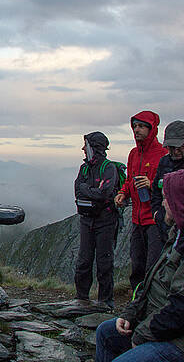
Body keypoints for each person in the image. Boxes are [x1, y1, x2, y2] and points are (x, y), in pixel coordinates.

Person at [95, 169, 184, 362]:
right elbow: (150, 283)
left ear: (179, 203)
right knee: (106, 333)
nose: (161, 202)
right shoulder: (176, 234)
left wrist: (143, 333)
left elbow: (179, 311)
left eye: (166, 198)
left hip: (176, 340)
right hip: (157, 320)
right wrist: (131, 314)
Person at [114, 111, 167, 290]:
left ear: (152, 129)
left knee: (153, 264)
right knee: (137, 264)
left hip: (155, 219)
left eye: (142, 126)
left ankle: (152, 304)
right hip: (137, 219)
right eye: (135, 126)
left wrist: (152, 184)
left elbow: (173, 185)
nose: (137, 130)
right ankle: (136, 302)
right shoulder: (134, 154)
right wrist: (123, 193)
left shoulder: (163, 154)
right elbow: (130, 180)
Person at [74, 132, 118, 309]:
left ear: (94, 148)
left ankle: (105, 302)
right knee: (84, 260)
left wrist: (87, 190)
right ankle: (81, 298)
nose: (83, 149)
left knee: (104, 261)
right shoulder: (84, 168)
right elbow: (77, 190)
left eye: (86, 146)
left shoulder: (108, 168)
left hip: (105, 221)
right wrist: (92, 192)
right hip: (87, 220)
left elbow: (105, 193)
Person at [151, 121, 184, 243]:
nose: (175, 151)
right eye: (171, 147)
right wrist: (157, 214)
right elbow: (155, 190)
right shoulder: (164, 162)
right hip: (165, 224)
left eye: (179, 147)